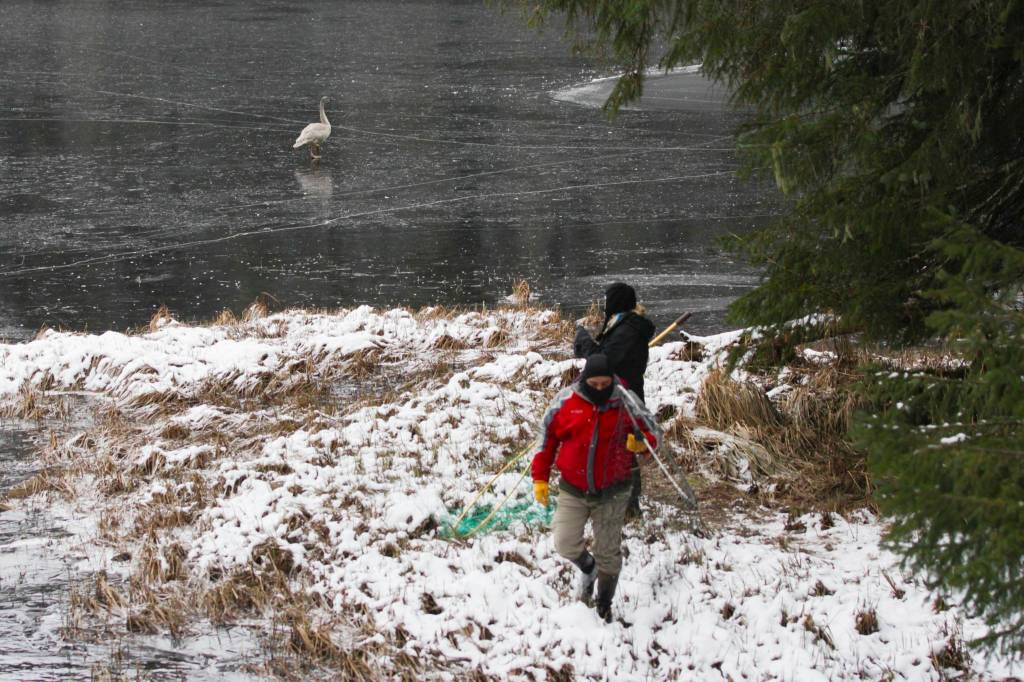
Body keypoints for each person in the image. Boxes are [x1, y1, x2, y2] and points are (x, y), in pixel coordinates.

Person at [531, 354, 662, 622]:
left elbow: (654, 432)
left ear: (612, 380)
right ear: (585, 379)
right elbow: (546, 439)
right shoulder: (566, 402)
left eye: (605, 384)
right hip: (573, 488)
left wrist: (643, 443)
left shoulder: (626, 401)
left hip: (613, 491)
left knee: (609, 555)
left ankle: (603, 603)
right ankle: (587, 568)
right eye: (595, 384)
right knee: (564, 542)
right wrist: (540, 479)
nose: (600, 389)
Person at [574, 282, 655, 518]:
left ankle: (628, 506)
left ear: (616, 302)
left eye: (607, 300)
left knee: (624, 449)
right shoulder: (625, 326)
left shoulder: (627, 329)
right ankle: (618, 501)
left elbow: (604, 360)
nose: (604, 305)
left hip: (625, 398)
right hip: (618, 395)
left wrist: (584, 341)